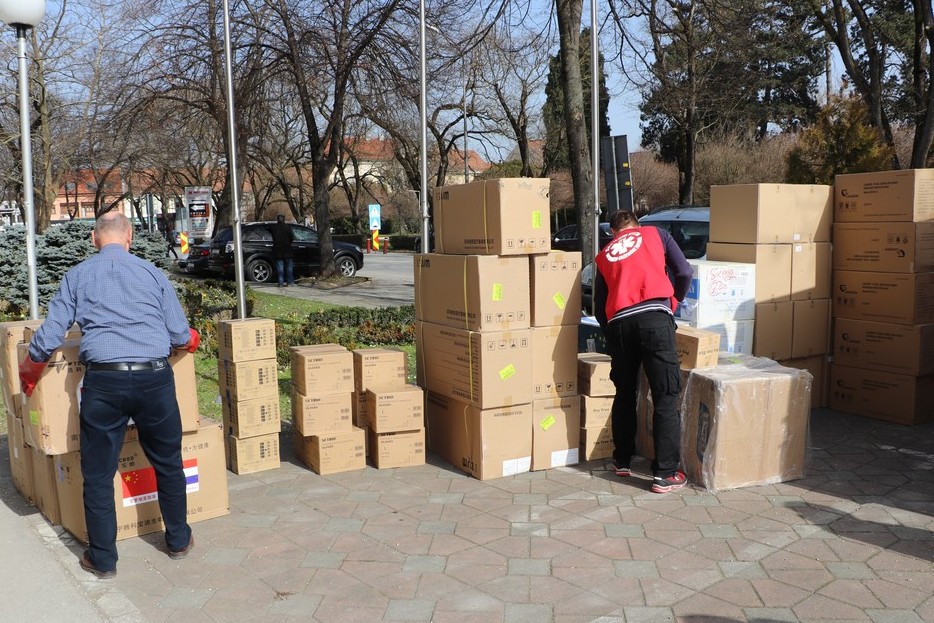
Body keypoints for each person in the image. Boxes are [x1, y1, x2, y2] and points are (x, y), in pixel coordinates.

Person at [19, 212, 200, 579]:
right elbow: (180, 334)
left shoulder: (78, 276)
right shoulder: (151, 273)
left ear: (93, 238)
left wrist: (29, 368)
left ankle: (103, 560)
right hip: (154, 379)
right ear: (130, 237)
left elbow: (52, 331)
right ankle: (178, 540)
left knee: (98, 474)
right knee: (167, 460)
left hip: (104, 383)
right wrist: (188, 341)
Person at [592, 210, 693, 494]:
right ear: (637, 225)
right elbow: (684, 271)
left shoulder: (605, 255)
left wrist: (611, 330)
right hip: (654, 320)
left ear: (613, 232)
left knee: (625, 392)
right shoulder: (657, 234)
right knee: (665, 394)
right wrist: (674, 300)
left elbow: (600, 305)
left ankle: (622, 459)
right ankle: (665, 473)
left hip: (619, 324)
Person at [271, 214, 294, 287]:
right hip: (287, 250)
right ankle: (290, 282)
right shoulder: (288, 228)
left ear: (277, 220)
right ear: (284, 220)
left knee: (279, 267)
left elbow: (271, 234)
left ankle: (280, 282)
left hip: (278, 250)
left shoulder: (274, 228)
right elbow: (291, 238)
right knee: (289, 267)